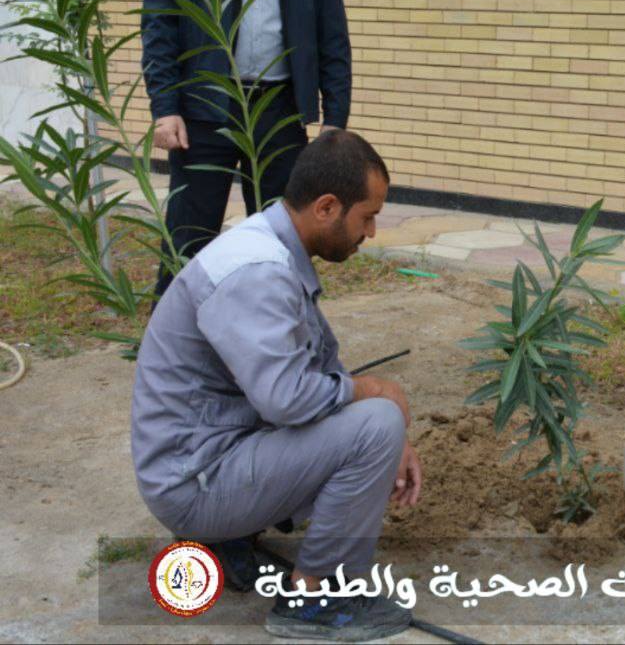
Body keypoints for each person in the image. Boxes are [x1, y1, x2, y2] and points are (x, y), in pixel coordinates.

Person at [131, 130, 419, 641]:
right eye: (368, 216)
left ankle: (232, 535)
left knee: (376, 421)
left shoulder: (272, 247)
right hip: (194, 482)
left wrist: (392, 431)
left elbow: (319, 362)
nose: (371, 231)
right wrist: (379, 398)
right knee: (375, 422)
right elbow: (287, 400)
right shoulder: (258, 272)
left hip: (207, 457)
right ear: (327, 207)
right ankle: (315, 600)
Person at [142, 0, 352, 296]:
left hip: (280, 113)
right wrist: (165, 108)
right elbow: (160, 31)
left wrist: (334, 121)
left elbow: (333, 39)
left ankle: (281, 329)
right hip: (204, 112)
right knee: (189, 236)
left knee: (284, 240)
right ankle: (173, 338)